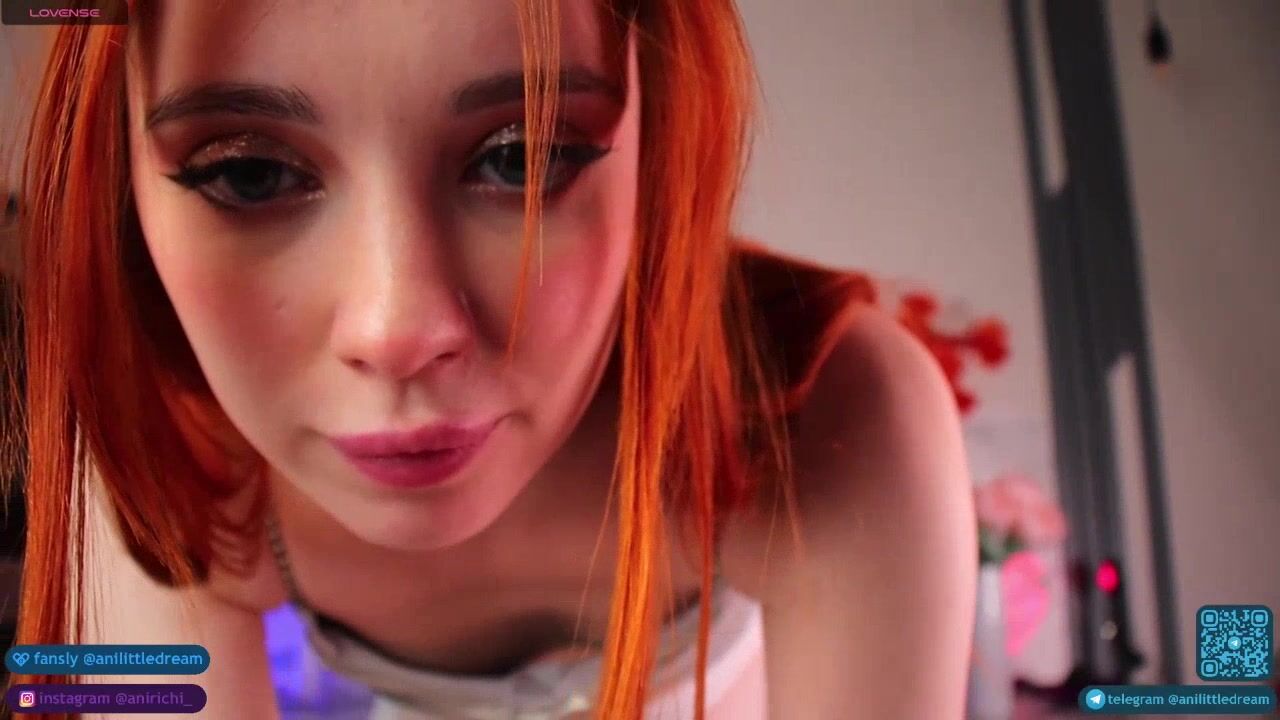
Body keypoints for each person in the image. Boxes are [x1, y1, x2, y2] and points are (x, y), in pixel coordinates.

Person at [1, 1, 978, 718]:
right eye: (250, 174)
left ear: (663, 130)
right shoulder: (160, 444)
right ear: (120, 184)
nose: (398, 329)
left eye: (524, 154)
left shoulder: (825, 414)